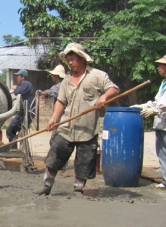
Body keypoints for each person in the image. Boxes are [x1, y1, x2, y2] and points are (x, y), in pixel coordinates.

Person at [36, 43, 119, 196]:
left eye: (73, 59)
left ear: (82, 59)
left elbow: (114, 89)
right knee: (54, 155)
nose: (71, 63)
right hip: (67, 126)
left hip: (88, 128)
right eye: (68, 60)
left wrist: (104, 97)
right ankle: (47, 186)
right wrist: (53, 118)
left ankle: (78, 189)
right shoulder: (67, 80)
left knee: (84, 162)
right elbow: (61, 101)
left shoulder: (97, 75)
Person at [130, 55, 166, 189]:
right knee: (162, 152)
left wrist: (155, 111)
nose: (158, 68)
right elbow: (158, 102)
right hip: (162, 124)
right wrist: (143, 106)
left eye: (161, 65)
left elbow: (162, 106)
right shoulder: (163, 84)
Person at [6, 69, 34, 143]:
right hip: (24, 112)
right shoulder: (25, 85)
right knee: (17, 131)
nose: (16, 78)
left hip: (25, 113)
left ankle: (14, 148)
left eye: (18, 76)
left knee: (9, 130)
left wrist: (15, 88)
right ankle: (19, 145)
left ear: (22, 77)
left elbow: (18, 91)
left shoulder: (26, 84)